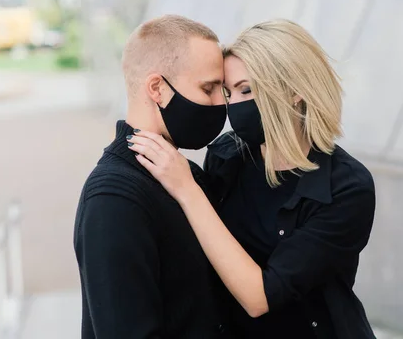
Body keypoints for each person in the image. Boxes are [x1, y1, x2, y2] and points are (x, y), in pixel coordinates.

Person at [128, 19, 377, 339]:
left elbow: (260, 298)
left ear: (294, 90)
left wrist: (187, 189)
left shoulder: (347, 188)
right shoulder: (225, 156)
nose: (234, 105)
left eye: (247, 89)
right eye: (228, 93)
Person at [73, 15, 231, 338]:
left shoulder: (188, 178)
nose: (220, 104)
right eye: (209, 88)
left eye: (223, 90)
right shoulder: (113, 198)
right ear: (157, 88)